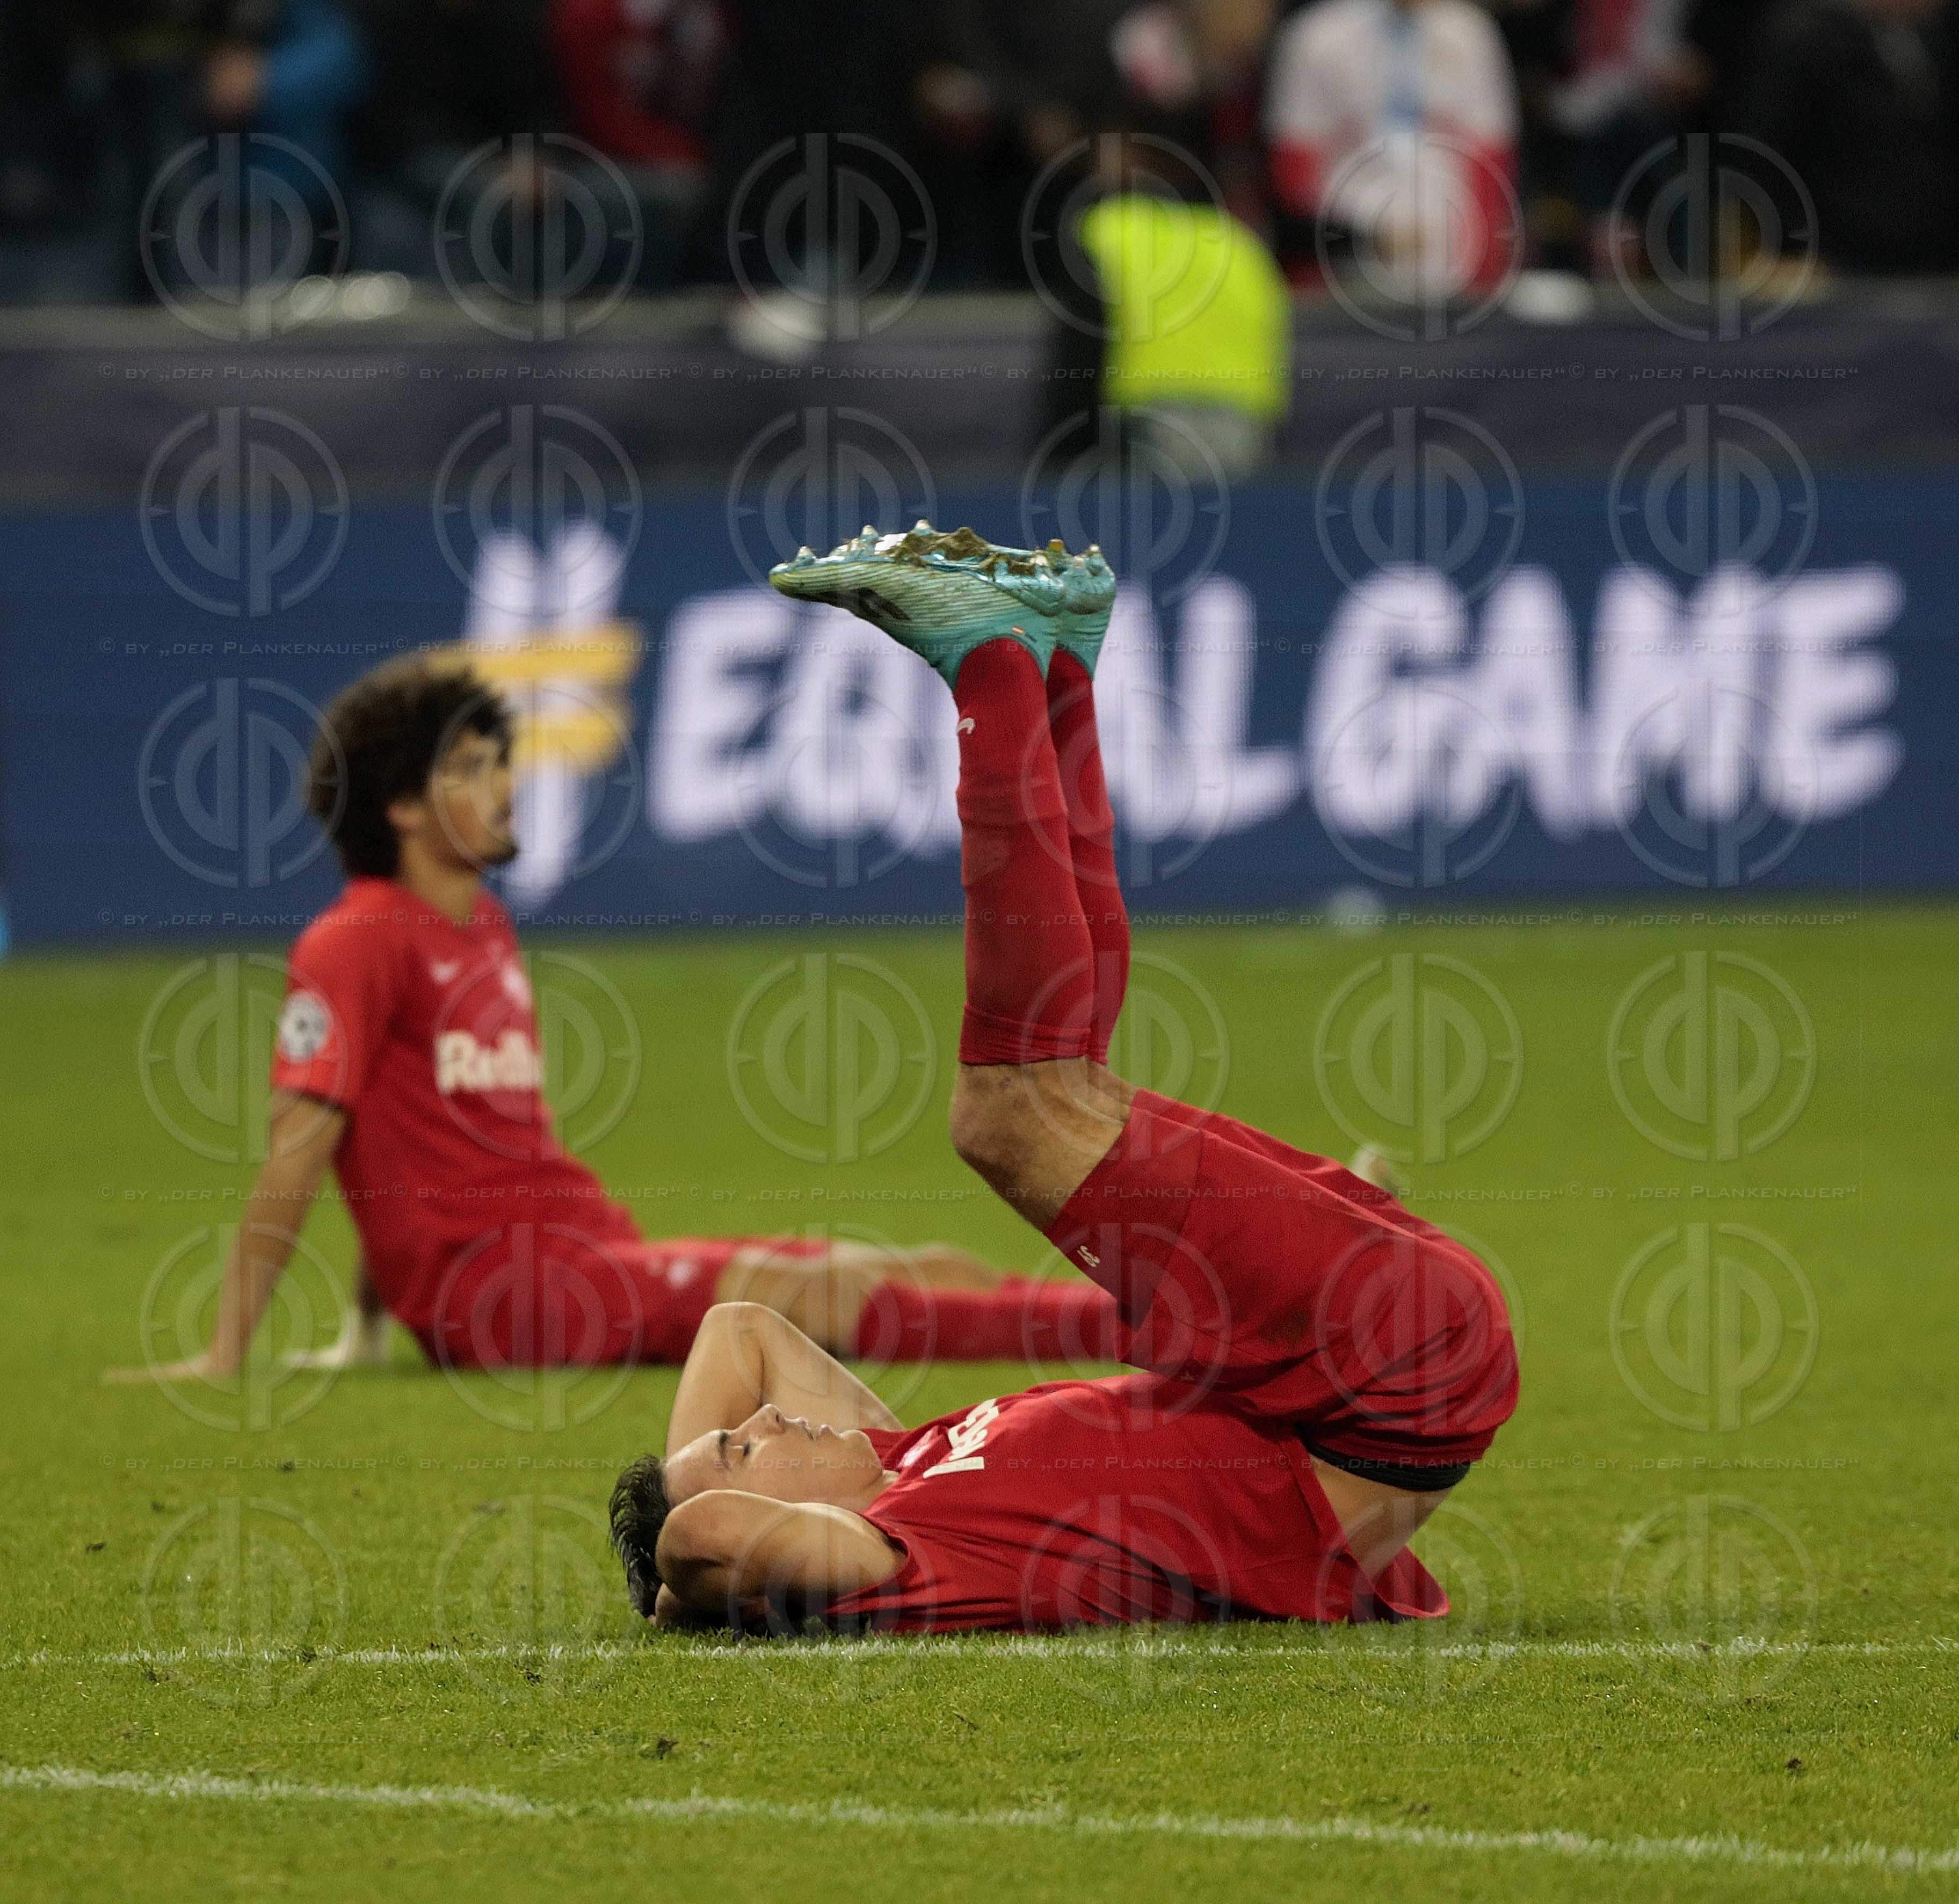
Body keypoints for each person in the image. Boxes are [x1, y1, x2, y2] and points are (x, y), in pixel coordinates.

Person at [608, 526, 1519, 1633]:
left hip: (1329, 1362)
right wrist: (680, 1565)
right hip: (1385, 1381)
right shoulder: (904, 1554)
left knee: (1062, 1090)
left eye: (743, 1428)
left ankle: (1052, 670)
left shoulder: (904, 1460)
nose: (771, 1424)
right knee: (1005, 1115)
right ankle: (987, 666)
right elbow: (705, 1535)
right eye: (750, 1449)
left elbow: (740, 1329)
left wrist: (704, 1469)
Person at [106, 653, 1121, 1390]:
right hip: (503, 1299)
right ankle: (1163, 1331)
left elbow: (409, 1139)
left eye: (499, 757)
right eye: (468, 766)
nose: (504, 784)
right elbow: (306, 1144)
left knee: (908, 1267)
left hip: (575, 1248)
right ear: (401, 806)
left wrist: (363, 1329)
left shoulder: (482, 926)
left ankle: (1141, 1317)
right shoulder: (354, 941)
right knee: (797, 1293)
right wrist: (227, 1350)